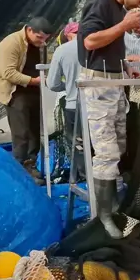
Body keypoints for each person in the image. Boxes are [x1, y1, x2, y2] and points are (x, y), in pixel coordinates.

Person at [78, 0, 140, 238]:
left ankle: (113, 206)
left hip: (114, 82)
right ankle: (104, 216)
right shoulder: (101, 2)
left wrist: (124, 66)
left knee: (119, 146)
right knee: (106, 151)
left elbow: (107, 47)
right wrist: (124, 25)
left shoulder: (118, 9)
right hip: (98, 84)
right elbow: (90, 41)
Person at [0, 16, 53, 185]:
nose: (42, 42)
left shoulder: (41, 44)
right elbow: (8, 73)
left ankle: (30, 164)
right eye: (39, 37)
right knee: (21, 132)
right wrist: (34, 81)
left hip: (33, 89)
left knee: (34, 130)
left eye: (45, 39)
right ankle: (18, 168)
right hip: (15, 90)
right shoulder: (10, 43)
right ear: (29, 30)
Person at [47, 22, 86, 180]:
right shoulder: (98, 46)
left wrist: (68, 85)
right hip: (100, 104)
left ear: (68, 35)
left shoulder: (62, 50)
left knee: (78, 143)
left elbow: (52, 83)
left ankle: (83, 177)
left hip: (74, 104)